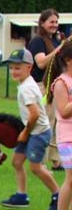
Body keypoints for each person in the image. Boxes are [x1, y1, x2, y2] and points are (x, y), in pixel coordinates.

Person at [0, 49, 59, 210]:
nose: (14, 71)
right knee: (17, 162)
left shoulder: (27, 88)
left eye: (18, 68)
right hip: (32, 131)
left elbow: (34, 114)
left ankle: (58, 195)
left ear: (29, 67)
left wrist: (25, 133)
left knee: (35, 167)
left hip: (38, 133)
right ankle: (21, 196)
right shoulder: (26, 84)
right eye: (11, 68)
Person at [27, 9, 64, 169]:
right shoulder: (38, 41)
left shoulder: (54, 41)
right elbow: (41, 63)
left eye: (56, 22)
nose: (54, 25)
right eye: (51, 22)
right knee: (45, 123)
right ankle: (40, 160)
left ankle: (56, 160)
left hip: (56, 86)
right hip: (42, 87)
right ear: (42, 23)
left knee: (57, 122)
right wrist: (60, 48)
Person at [51, 41, 72, 210]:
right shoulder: (61, 82)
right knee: (70, 178)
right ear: (68, 60)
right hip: (67, 138)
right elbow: (64, 111)